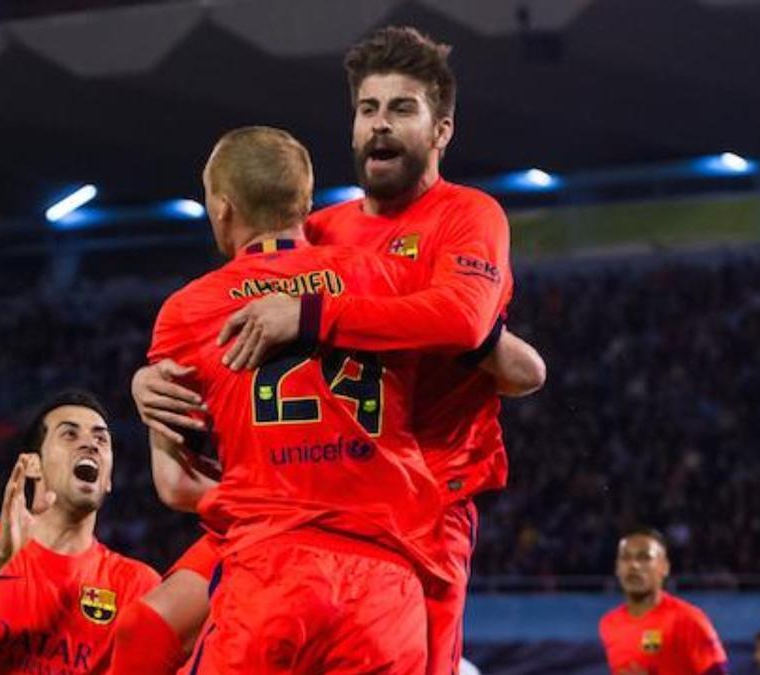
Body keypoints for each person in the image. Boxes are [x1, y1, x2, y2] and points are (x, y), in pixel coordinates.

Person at [134, 26, 544, 675]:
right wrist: (149, 379)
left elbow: (464, 321)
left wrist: (311, 313)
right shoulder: (325, 232)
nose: (380, 125)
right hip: (299, 502)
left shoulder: (468, 216)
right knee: (142, 627)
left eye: (402, 109)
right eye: (367, 109)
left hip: (425, 504)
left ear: (442, 130)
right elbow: (239, 287)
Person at [143, 124, 476, 674]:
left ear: (223, 209)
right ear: (305, 203)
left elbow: (175, 482)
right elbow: (486, 350)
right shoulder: (391, 278)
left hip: (270, 574)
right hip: (385, 585)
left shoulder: (189, 310)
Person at [0, 390, 161, 674]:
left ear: (108, 479)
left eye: (101, 438)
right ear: (33, 465)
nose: (90, 445)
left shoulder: (137, 587)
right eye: (70, 435)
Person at [599, 528, 729, 675]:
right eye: (625, 558)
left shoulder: (688, 619)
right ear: (617, 567)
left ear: (664, 567)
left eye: (644, 558)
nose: (633, 565)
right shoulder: (609, 623)